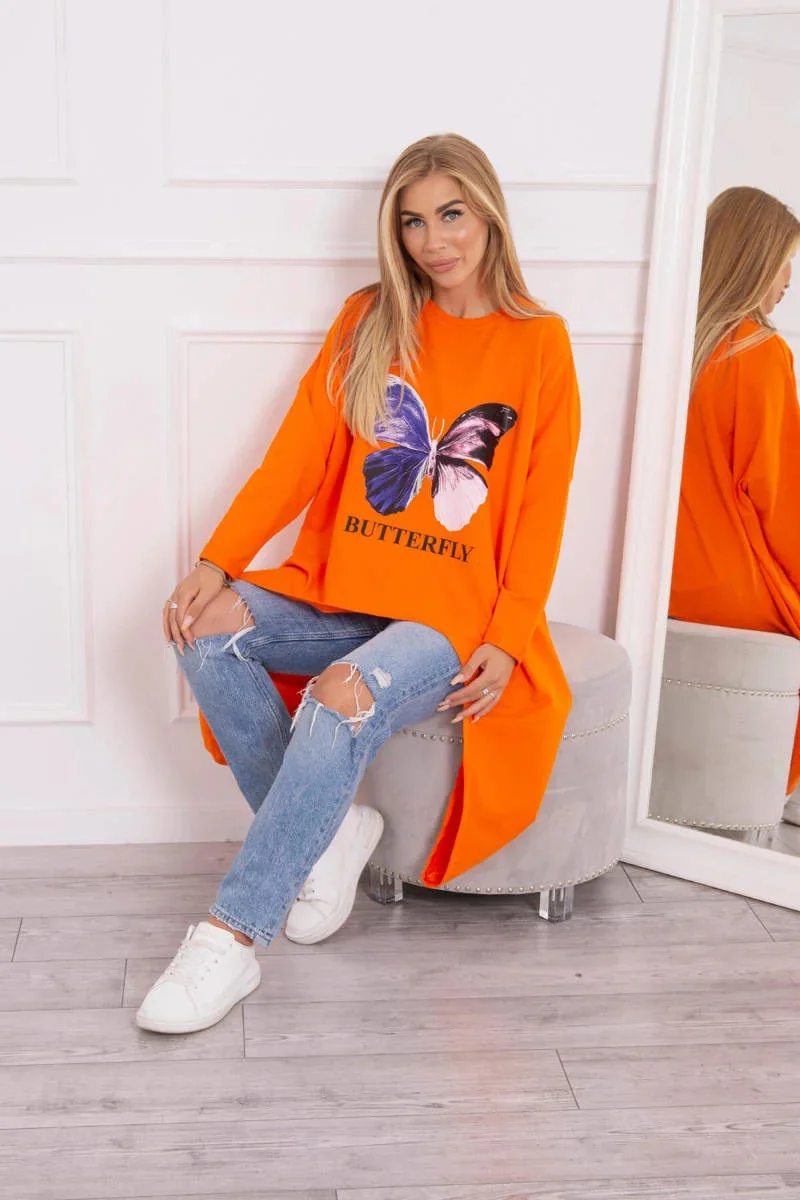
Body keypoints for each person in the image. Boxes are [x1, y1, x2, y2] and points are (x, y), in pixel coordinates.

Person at [136, 132, 581, 1036]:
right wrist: (217, 561)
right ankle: (333, 833)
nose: (432, 240)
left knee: (341, 696)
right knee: (205, 628)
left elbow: (542, 507)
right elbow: (294, 459)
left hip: (449, 617)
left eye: (450, 214)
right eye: (412, 221)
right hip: (341, 588)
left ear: (489, 215)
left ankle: (230, 937)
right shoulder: (370, 318)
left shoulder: (540, 343)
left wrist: (507, 634)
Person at [669, 185, 800, 813]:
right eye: (784, 263)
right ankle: (761, 796)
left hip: (661, 578)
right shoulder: (759, 353)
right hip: (728, 586)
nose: (788, 282)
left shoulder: (672, 342)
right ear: (753, 260)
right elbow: (779, 499)